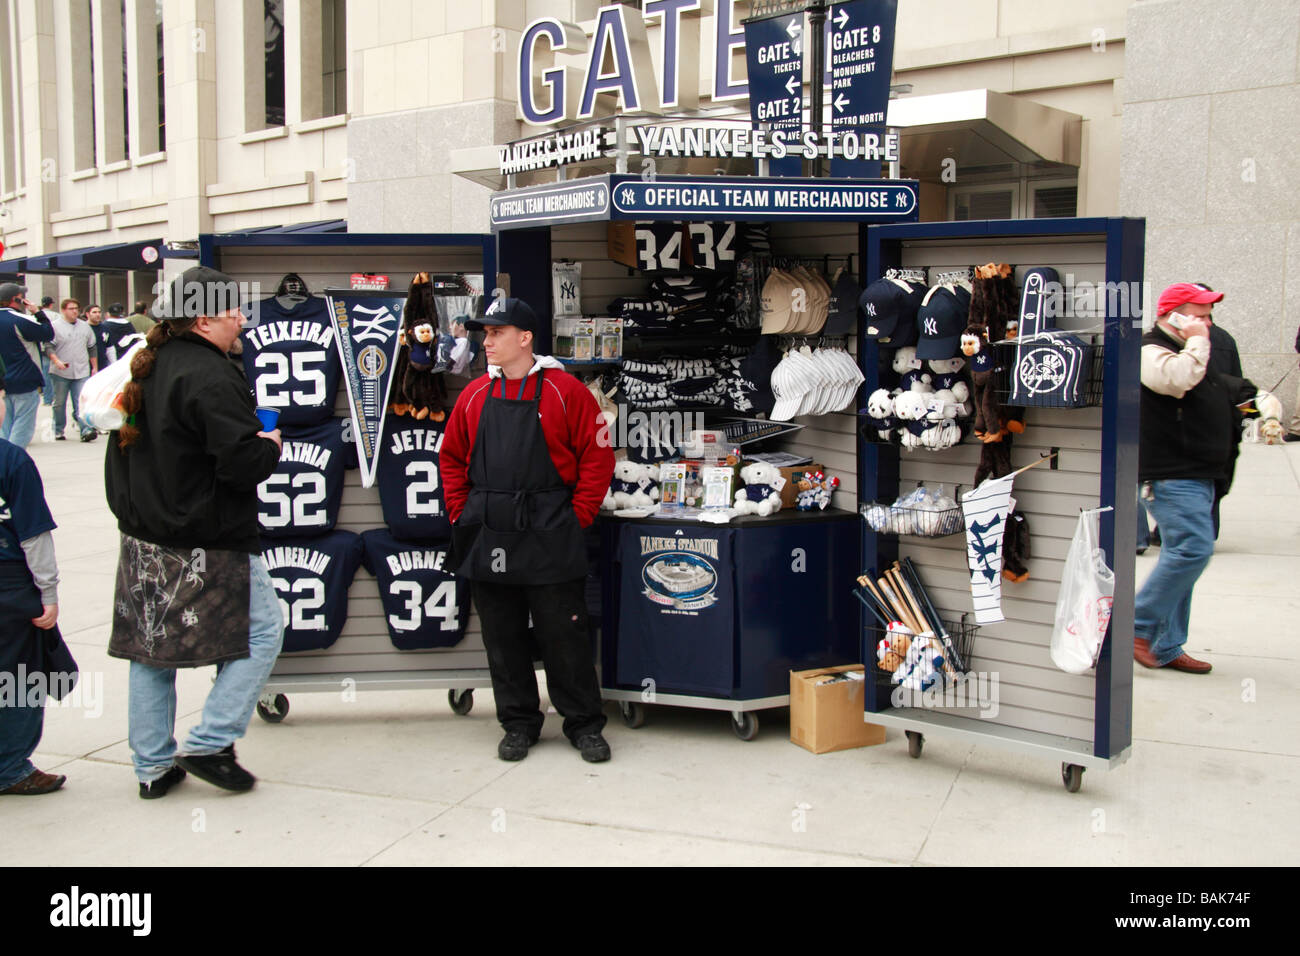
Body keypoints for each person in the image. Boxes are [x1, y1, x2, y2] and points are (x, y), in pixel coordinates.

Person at [104, 266, 284, 797]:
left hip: (143, 533)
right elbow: (239, 463)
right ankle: (211, 739)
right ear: (204, 319)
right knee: (263, 630)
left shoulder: (145, 367)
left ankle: (152, 768)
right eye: (234, 311)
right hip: (208, 537)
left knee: (151, 650)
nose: (242, 321)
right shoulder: (211, 374)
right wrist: (268, 446)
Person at [442, 297, 616, 763]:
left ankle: (583, 724)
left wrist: (577, 517)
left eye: (497, 332)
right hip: (489, 529)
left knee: (566, 634)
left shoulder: (567, 391)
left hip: (551, 528)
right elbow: (452, 459)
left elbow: (598, 459)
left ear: (525, 338)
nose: (487, 341)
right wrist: (461, 513)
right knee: (502, 637)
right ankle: (518, 723)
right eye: (485, 333)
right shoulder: (474, 395)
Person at [1133, 282, 1239, 674]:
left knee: (1183, 560)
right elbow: (1176, 380)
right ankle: (1138, 625)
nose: (1207, 324)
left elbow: (1208, 387)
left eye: (1209, 316)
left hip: (1199, 471)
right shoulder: (1149, 349)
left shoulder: (1193, 349)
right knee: (1192, 550)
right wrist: (1197, 342)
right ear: (1174, 316)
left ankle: (1166, 645)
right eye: (1200, 315)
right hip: (1169, 472)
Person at [0, 394, 67, 795]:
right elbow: (33, 534)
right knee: (20, 678)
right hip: (10, 589)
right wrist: (48, 591)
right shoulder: (12, 461)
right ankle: (10, 767)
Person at [0, 283, 55, 448]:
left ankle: (3, 462)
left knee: (4, 426)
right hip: (24, 379)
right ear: (16, 299)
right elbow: (47, 333)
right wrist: (38, 313)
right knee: (23, 426)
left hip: (2, 382)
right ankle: (13, 463)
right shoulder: (20, 319)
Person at [47, 298, 98, 443]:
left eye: (76, 308)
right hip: (60, 372)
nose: (75, 311)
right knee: (59, 403)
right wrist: (56, 361)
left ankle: (86, 429)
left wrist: (94, 367)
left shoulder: (85, 327)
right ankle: (58, 429)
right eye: (71, 308)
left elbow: (92, 347)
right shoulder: (55, 327)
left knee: (81, 401)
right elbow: (48, 346)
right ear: (63, 310)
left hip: (81, 370)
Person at [35, 297, 57, 406]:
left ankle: (47, 398)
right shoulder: (56, 316)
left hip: (41, 347)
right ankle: (53, 397)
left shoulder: (35, 315)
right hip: (54, 347)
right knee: (54, 374)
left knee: (45, 373)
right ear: (51, 305)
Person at [83, 304, 108, 369]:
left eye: (99, 312)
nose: (97, 314)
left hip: (102, 364)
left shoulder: (105, 327)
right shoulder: (83, 328)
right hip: (86, 366)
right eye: (94, 312)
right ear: (87, 314)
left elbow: (110, 348)